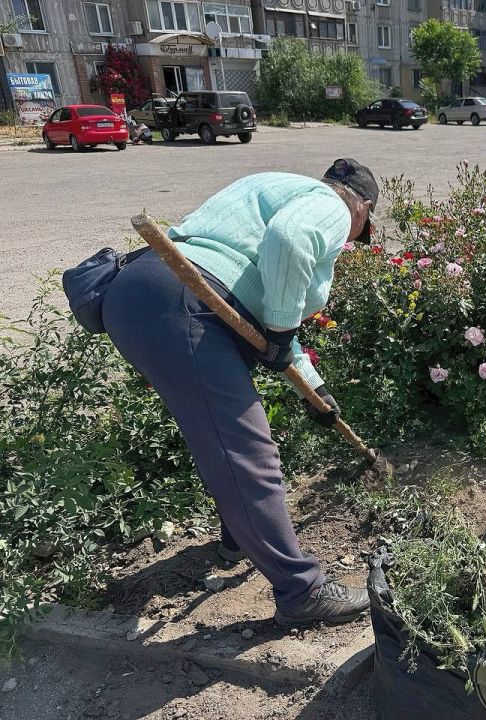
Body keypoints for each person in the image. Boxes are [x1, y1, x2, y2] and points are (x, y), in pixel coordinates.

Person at [101, 160, 379, 626]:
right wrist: (281, 330)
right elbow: (291, 242)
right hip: (187, 302)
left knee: (222, 437)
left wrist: (316, 389)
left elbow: (269, 318)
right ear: (363, 208)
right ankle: (302, 592)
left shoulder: (275, 188)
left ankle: (238, 538)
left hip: (147, 293)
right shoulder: (331, 204)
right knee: (246, 451)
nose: (351, 240)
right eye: (359, 232)